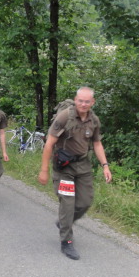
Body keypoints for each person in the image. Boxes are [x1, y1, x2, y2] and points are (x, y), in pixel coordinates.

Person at [38, 87, 112, 260]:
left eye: (87, 101)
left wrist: (105, 166)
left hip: (83, 165)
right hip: (64, 167)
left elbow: (97, 144)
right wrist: (44, 170)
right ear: (75, 99)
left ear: (92, 102)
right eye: (80, 100)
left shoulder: (94, 120)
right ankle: (66, 241)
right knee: (68, 203)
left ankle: (64, 222)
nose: (83, 104)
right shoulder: (64, 117)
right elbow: (49, 144)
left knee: (85, 202)